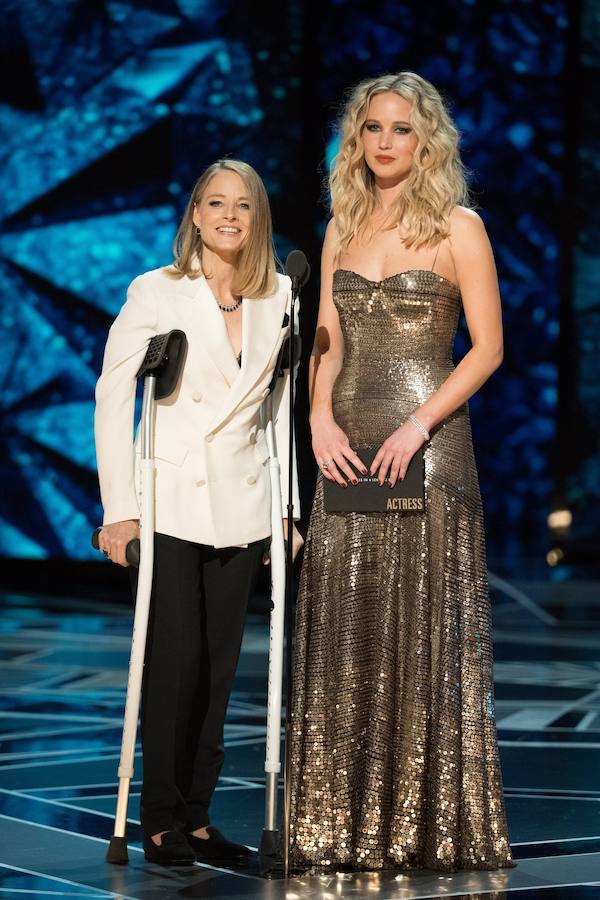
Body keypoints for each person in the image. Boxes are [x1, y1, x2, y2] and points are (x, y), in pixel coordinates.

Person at [289, 73, 513, 872]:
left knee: (419, 621)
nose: (385, 142)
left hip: (429, 440)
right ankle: (338, 825)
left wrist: (418, 425)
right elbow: (325, 342)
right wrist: (317, 419)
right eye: (373, 128)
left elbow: (488, 348)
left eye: (402, 129)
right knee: (347, 621)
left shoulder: (459, 226)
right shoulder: (341, 226)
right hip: (345, 441)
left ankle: (424, 826)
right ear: (356, 139)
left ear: (427, 142)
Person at [95, 159, 302, 865]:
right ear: (195, 214)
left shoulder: (279, 297)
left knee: (219, 667)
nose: (229, 216)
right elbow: (113, 397)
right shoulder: (156, 290)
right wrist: (119, 510)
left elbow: (279, 411)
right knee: (175, 661)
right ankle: (159, 818)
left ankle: (198, 816)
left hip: (244, 502)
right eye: (215, 203)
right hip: (171, 502)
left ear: (257, 217)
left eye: (242, 205)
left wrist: (286, 509)